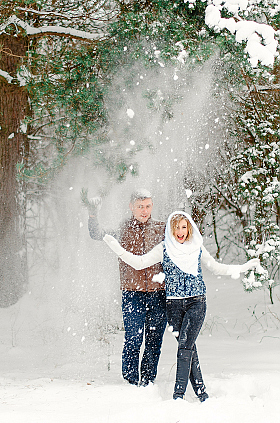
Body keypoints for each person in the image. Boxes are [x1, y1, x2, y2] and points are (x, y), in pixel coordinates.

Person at [103, 211, 261, 401]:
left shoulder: (196, 248)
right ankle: (201, 391)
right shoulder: (164, 248)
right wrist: (118, 250)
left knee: (185, 347)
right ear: (171, 229)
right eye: (176, 227)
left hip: (196, 302)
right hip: (174, 306)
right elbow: (140, 263)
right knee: (189, 347)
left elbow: (217, 267)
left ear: (189, 228)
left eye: (184, 227)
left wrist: (244, 268)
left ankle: (178, 395)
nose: (180, 231)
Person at [85, 188, 166, 387]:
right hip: (132, 293)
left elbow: (184, 242)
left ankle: (148, 381)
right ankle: (131, 381)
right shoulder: (123, 229)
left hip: (158, 294)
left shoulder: (162, 229)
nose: (144, 210)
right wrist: (93, 213)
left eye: (147, 206)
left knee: (154, 340)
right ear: (131, 207)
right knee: (133, 337)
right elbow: (97, 234)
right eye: (140, 206)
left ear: (152, 206)